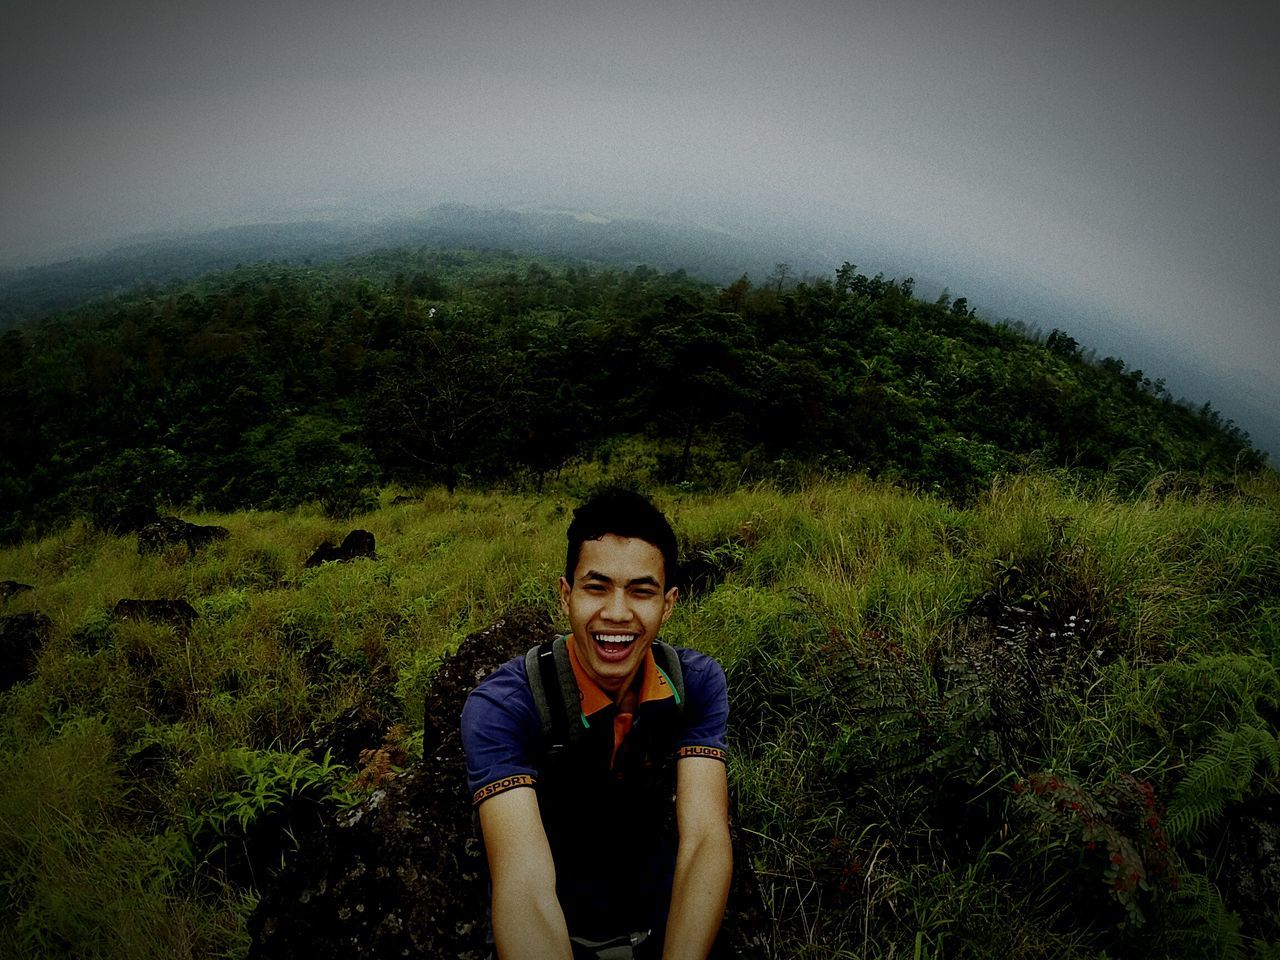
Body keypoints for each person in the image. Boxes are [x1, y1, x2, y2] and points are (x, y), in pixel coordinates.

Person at [461, 490, 732, 960]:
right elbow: (524, 884)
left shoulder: (696, 684)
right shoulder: (504, 706)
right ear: (566, 595)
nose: (617, 613)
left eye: (641, 591)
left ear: (668, 605)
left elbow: (705, 839)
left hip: (660, 934)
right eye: (596, 586)